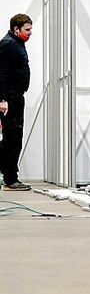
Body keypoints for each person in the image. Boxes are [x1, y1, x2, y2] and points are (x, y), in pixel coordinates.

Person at [0, 14, 33, 191]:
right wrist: (2, 99)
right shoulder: (8, 44)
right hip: (10, 98)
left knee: (13, 138)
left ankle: (10, 175)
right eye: (27, 30)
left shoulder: (17, 44)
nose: (30, 33)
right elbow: (1, 73)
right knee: (12, 139)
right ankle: (11, 178)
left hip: (15, 96)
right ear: (16, 29)